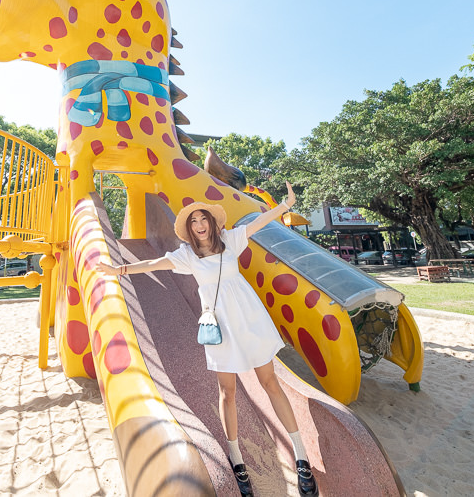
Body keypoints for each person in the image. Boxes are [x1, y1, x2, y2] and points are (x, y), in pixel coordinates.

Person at [97, 182, 318, 497]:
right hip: (218, 325)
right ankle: (237, 458)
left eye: (204, 220)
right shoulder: (186, 255)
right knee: (227, 392)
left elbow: (256, 223)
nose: (200, 226)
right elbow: (152, 264)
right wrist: (118, 269)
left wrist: (284, 206)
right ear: (189, 229)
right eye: (194, 222)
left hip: (248, 319)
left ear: (213, 223)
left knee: (270, 383)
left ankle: (301, 458)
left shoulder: (230, 240)